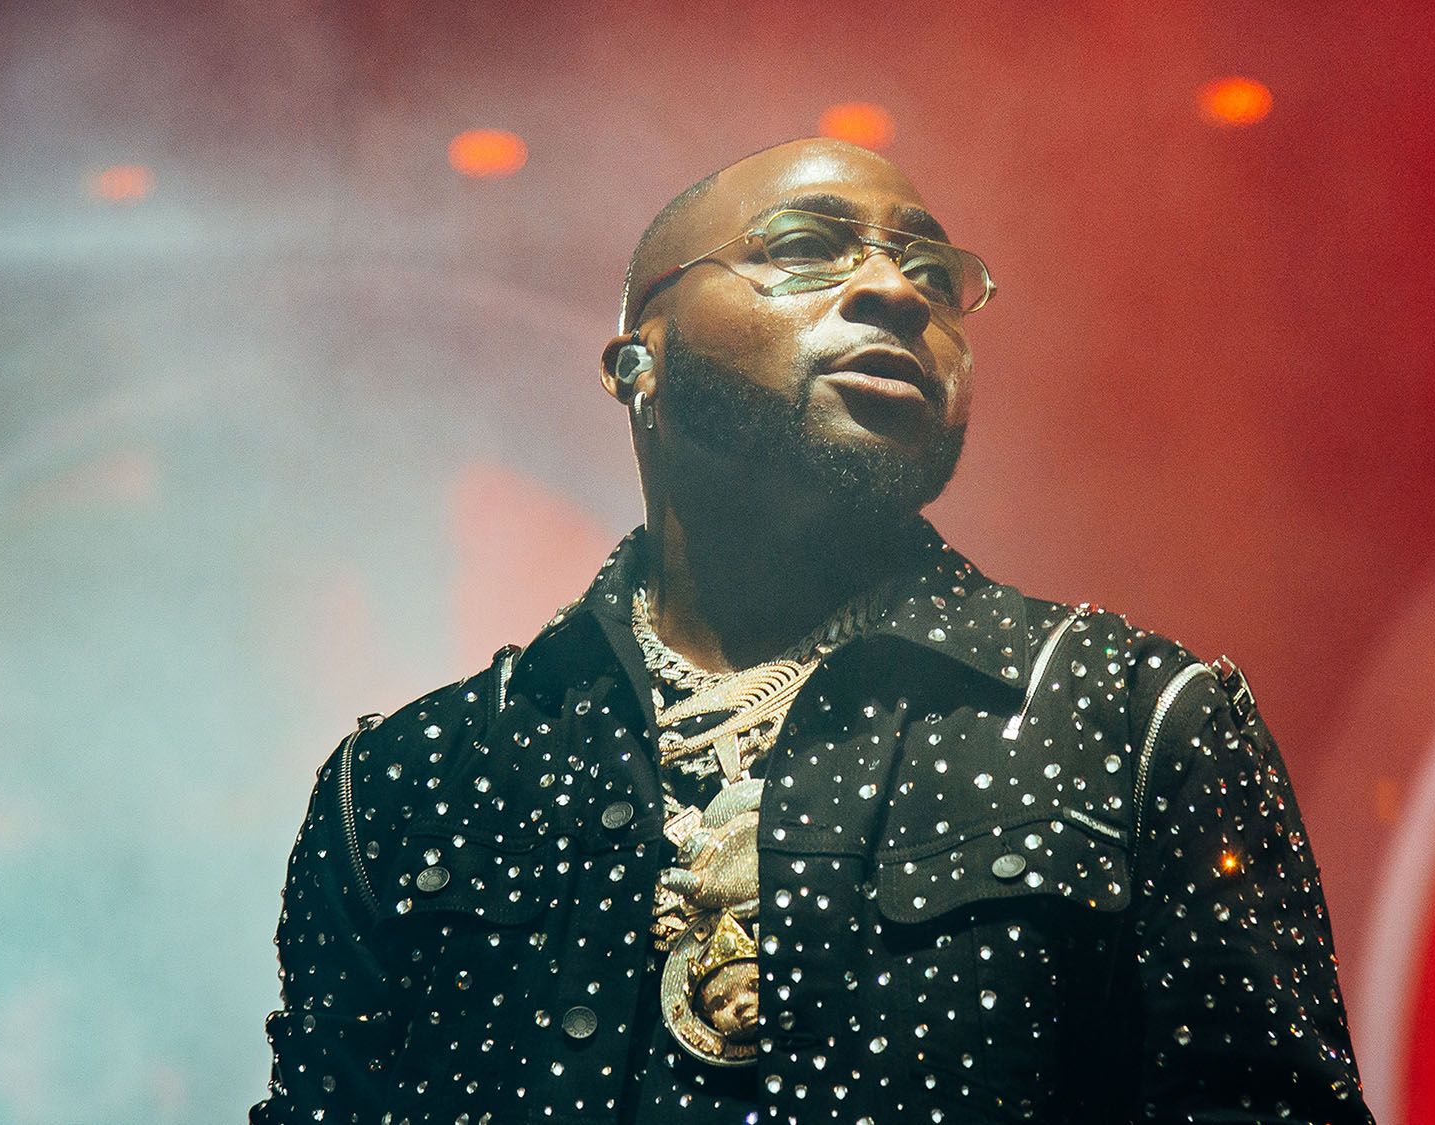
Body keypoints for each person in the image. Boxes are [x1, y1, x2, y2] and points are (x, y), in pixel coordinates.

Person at [251, 137, 1374, 1124]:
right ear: (636, 362)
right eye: (804, 247)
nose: (895, 290)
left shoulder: (1133, 722)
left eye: (932, 272)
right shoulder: (406, 783)